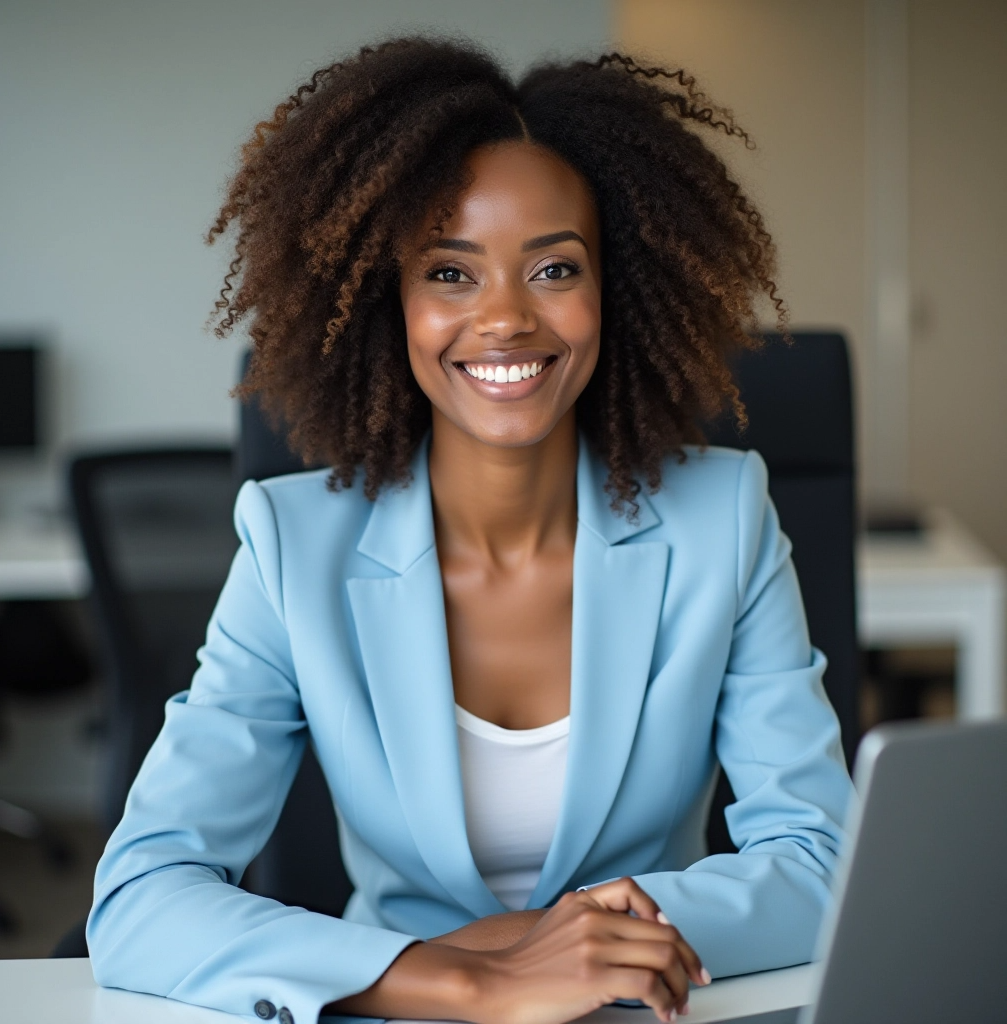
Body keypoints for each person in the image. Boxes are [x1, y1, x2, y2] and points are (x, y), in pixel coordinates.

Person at [87, 37, 852, 1024]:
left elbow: (820, 857)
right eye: (449, 272)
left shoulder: (723, 520)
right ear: (384, 300)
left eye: (554, 269)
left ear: (615, 290)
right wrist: (463, 978)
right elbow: (140, 896)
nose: (502, 320)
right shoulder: (293, 545)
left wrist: (585, 935)